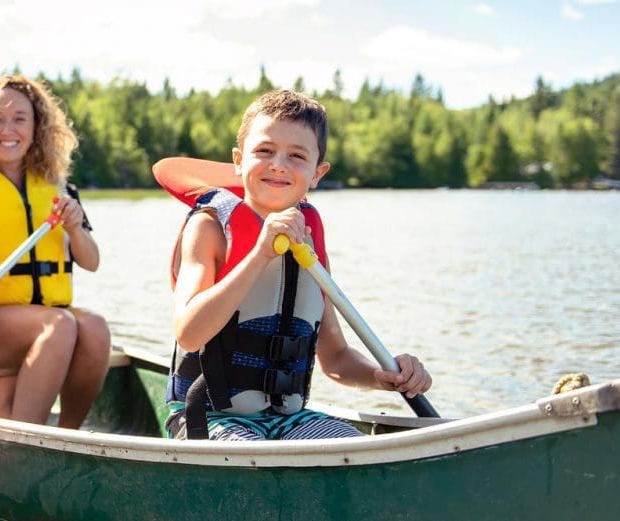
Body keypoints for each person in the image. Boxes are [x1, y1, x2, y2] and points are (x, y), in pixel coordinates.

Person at [157, 90, 432, 441]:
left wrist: (382, 376)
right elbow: (190, 332)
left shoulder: (309, 239)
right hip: (207, 416)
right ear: (239, 160)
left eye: (297, 156)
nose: (278, 165)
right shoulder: (209, 228)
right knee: (252, 458)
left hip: (288, 421)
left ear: (318, 173)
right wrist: (259, 254)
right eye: (265, 151)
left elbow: (335, 359)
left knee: (360, 453)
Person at [0, 74, 111, 427]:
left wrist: (75, 227)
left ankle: (69, 436)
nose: (8, 129)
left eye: (19, 118)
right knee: (59, 324)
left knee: (94, 327)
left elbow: (90, 261)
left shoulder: (60, 187)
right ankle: (28, 438)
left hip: (46, 318)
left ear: (36, 125)